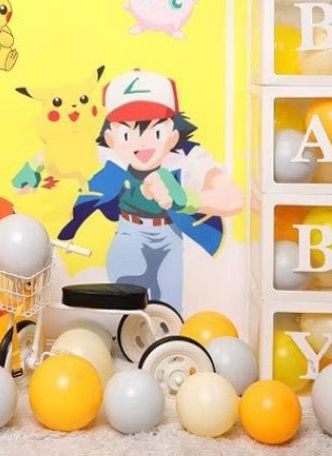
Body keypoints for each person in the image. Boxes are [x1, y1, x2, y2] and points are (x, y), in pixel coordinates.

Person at [57, 69, 243, 312]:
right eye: (127, 133)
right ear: (111, 138)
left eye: (155, 132)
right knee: (127, 308)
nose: (142, 142)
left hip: (170, 237)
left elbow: (233, 198)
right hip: (129, 235)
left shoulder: (186, 159)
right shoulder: (110, 158)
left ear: (173, 135)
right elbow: (59, 158)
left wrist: (184, 198)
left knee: (169, 311)